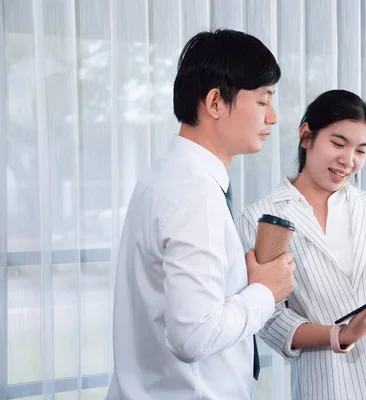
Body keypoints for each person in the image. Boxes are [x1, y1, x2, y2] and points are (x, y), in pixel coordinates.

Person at [106, 29, 296, 400]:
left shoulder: (166, 176)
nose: (273, 117)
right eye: (263, 100)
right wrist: (265, 292)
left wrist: (243, 279)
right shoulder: (196, 196)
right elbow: (193, 337)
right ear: (215, 103)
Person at [236, 89, 366, 399]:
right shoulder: (263, 218)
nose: (349, 160)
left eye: (361, 150)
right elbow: (271, 320)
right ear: (306, 136)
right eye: (338, 143)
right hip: (330, 384)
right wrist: (340, 334)